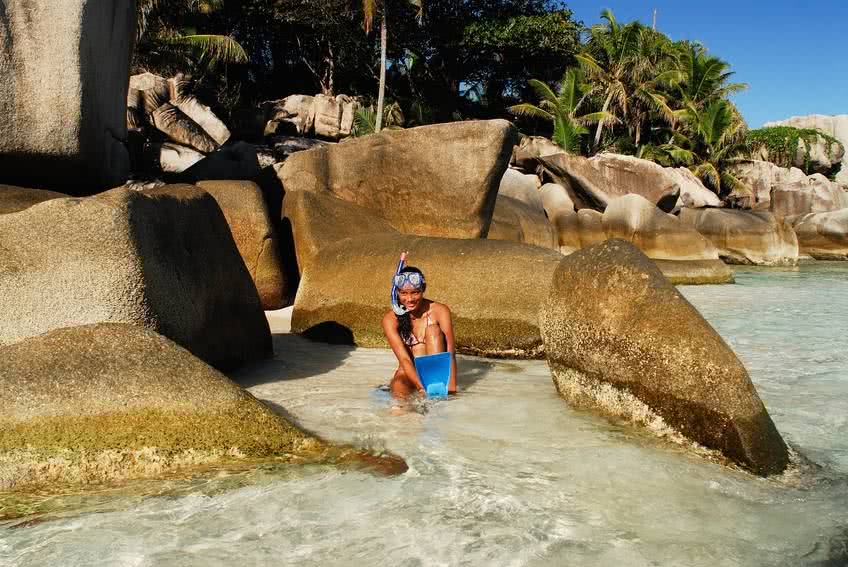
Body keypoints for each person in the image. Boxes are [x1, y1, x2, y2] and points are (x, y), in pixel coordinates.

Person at [381, 262, 457, 399]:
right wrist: (420, 387)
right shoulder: (390, 319)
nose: (409, 299)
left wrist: (451, 391)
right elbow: (404, 359)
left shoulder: (440, 311)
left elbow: (450, 353)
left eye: (415, 292)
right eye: (403, 293)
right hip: (408, 372)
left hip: (435, 372)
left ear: (423, 289)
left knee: (433, 330)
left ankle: (434, 385)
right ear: (396, 292)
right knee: (398, 404)